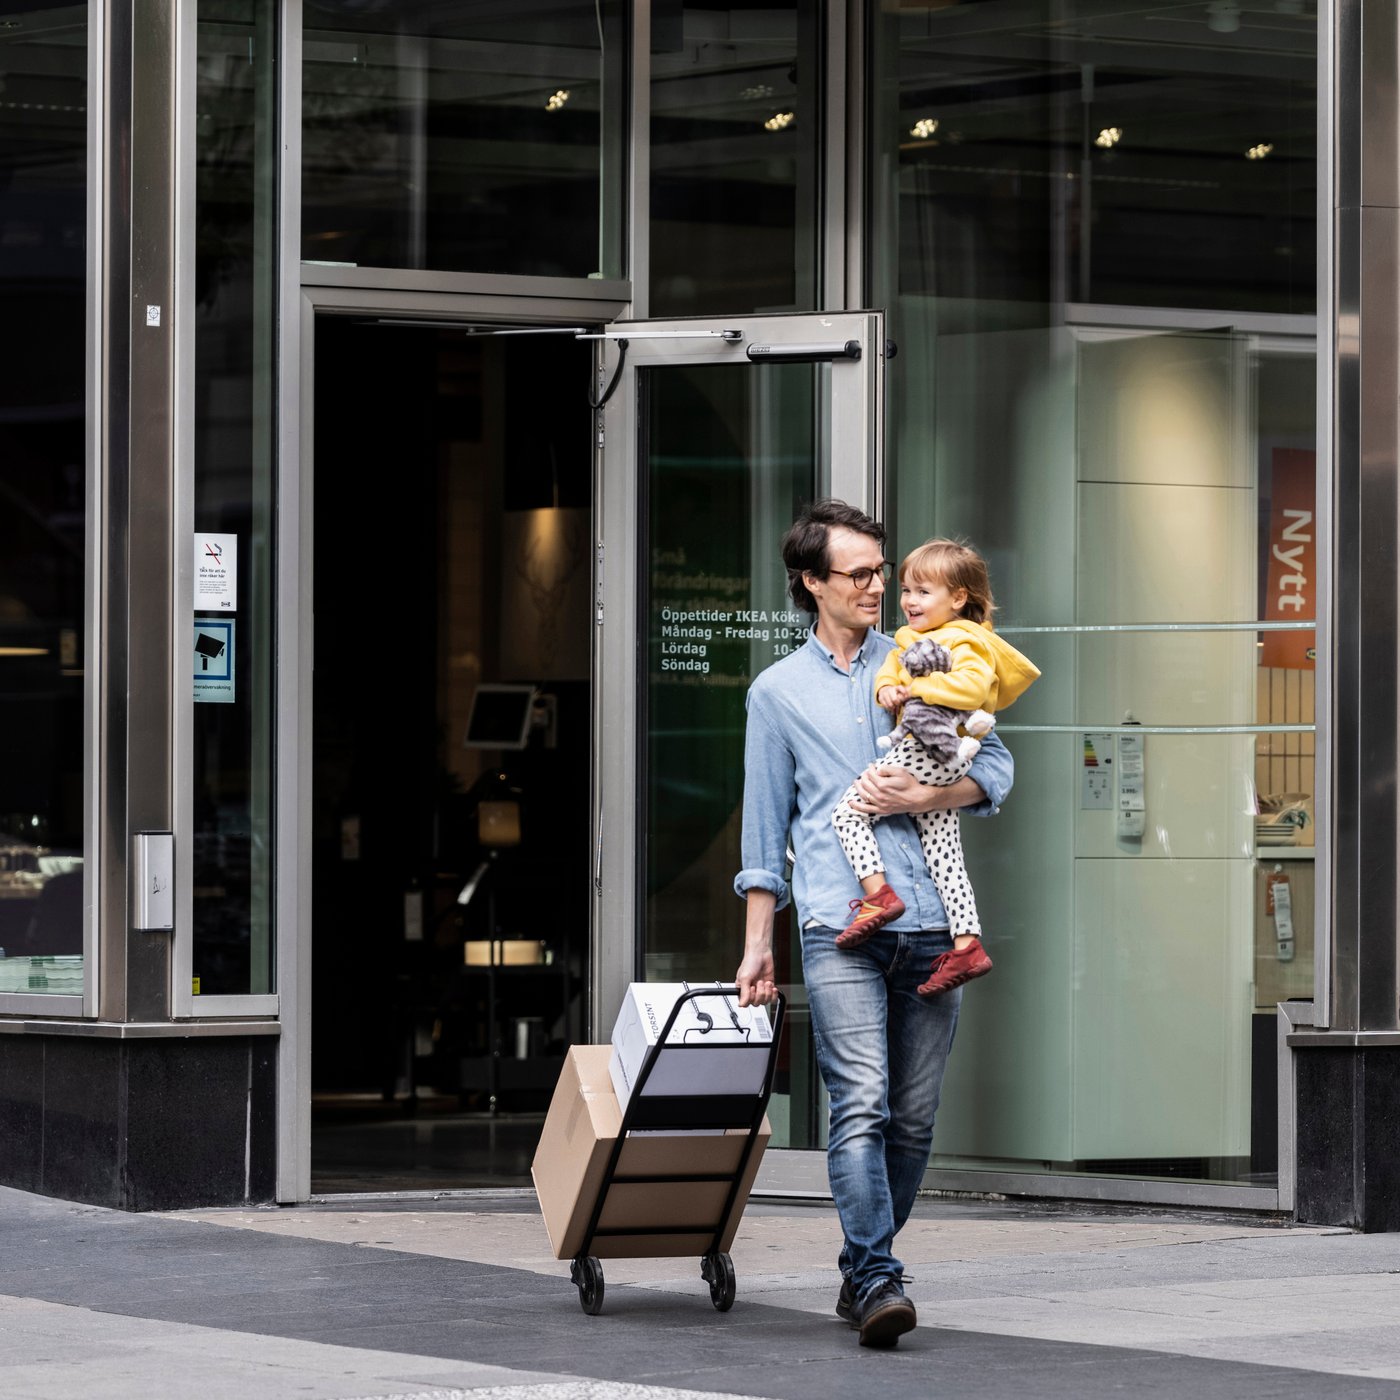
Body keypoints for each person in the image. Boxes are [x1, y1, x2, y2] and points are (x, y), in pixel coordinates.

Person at [733, 499, 1014, 1349]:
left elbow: (995, 768)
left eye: (880, 570)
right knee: (859, 1105)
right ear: (811, 582)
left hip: (933, 923)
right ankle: (878, 1276)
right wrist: (758, 949)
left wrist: (931, 793)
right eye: (856, 573)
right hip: (838, 923)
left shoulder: (926, 656)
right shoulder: (776, 693)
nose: (876, 585)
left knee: (915, 1116)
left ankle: (867, 1268)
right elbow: (762, 828)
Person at [831, 539, 1039, 996]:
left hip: (930, 747)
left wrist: (920, 691)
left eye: (923, 592)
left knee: (848, 812)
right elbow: (892, 667)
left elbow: (971, 687)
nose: (908, 601)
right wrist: (887, 688)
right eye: (906, 590)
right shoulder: (913, 639)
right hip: (941, 760)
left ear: (958, 598)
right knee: (944, 853)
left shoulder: (966, 639)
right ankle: (967, 942)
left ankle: (878, 895)